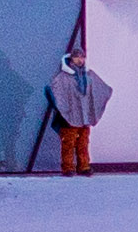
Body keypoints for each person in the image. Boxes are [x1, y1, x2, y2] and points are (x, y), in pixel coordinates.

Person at [49, 38, 116, 174]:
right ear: (71, 58)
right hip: (68, 117)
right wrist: (63, 108)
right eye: (77, 57)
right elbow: (54, 91)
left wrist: (105, 93)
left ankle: (84, 166)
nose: (80, 60)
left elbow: (100, 89)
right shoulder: (64, 76)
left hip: (84, 117)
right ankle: (68, 167)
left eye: (82, 57)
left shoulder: (88, 75)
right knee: (68, 143)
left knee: (83, 143)